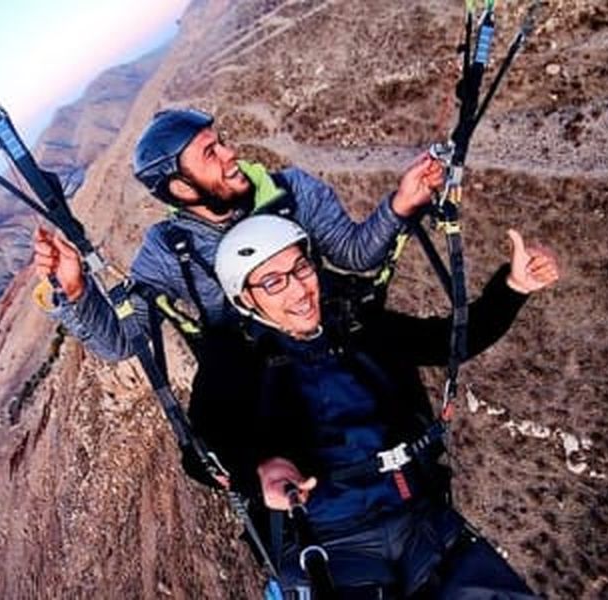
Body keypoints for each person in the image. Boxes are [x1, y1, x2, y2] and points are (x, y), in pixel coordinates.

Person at [188, 215, 559, 598]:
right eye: (272, 282)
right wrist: (257, 472)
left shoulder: (354, 323)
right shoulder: (234, 358)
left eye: (301, 267)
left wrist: (513, 287)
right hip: (329, 541)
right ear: (245, 298)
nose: (298, 289)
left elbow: (445, 342)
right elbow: (198, 452)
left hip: (420, 521)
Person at [32, 108, 444, 359]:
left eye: (221, 143)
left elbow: (354, 254)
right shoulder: (169, 251)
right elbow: (123, 343)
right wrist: (75, 292)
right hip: (264, 384)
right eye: (211, 153)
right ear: (180, 187)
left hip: (335, 340)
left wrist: (401, 204)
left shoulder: (292, 191)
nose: (232, 155)